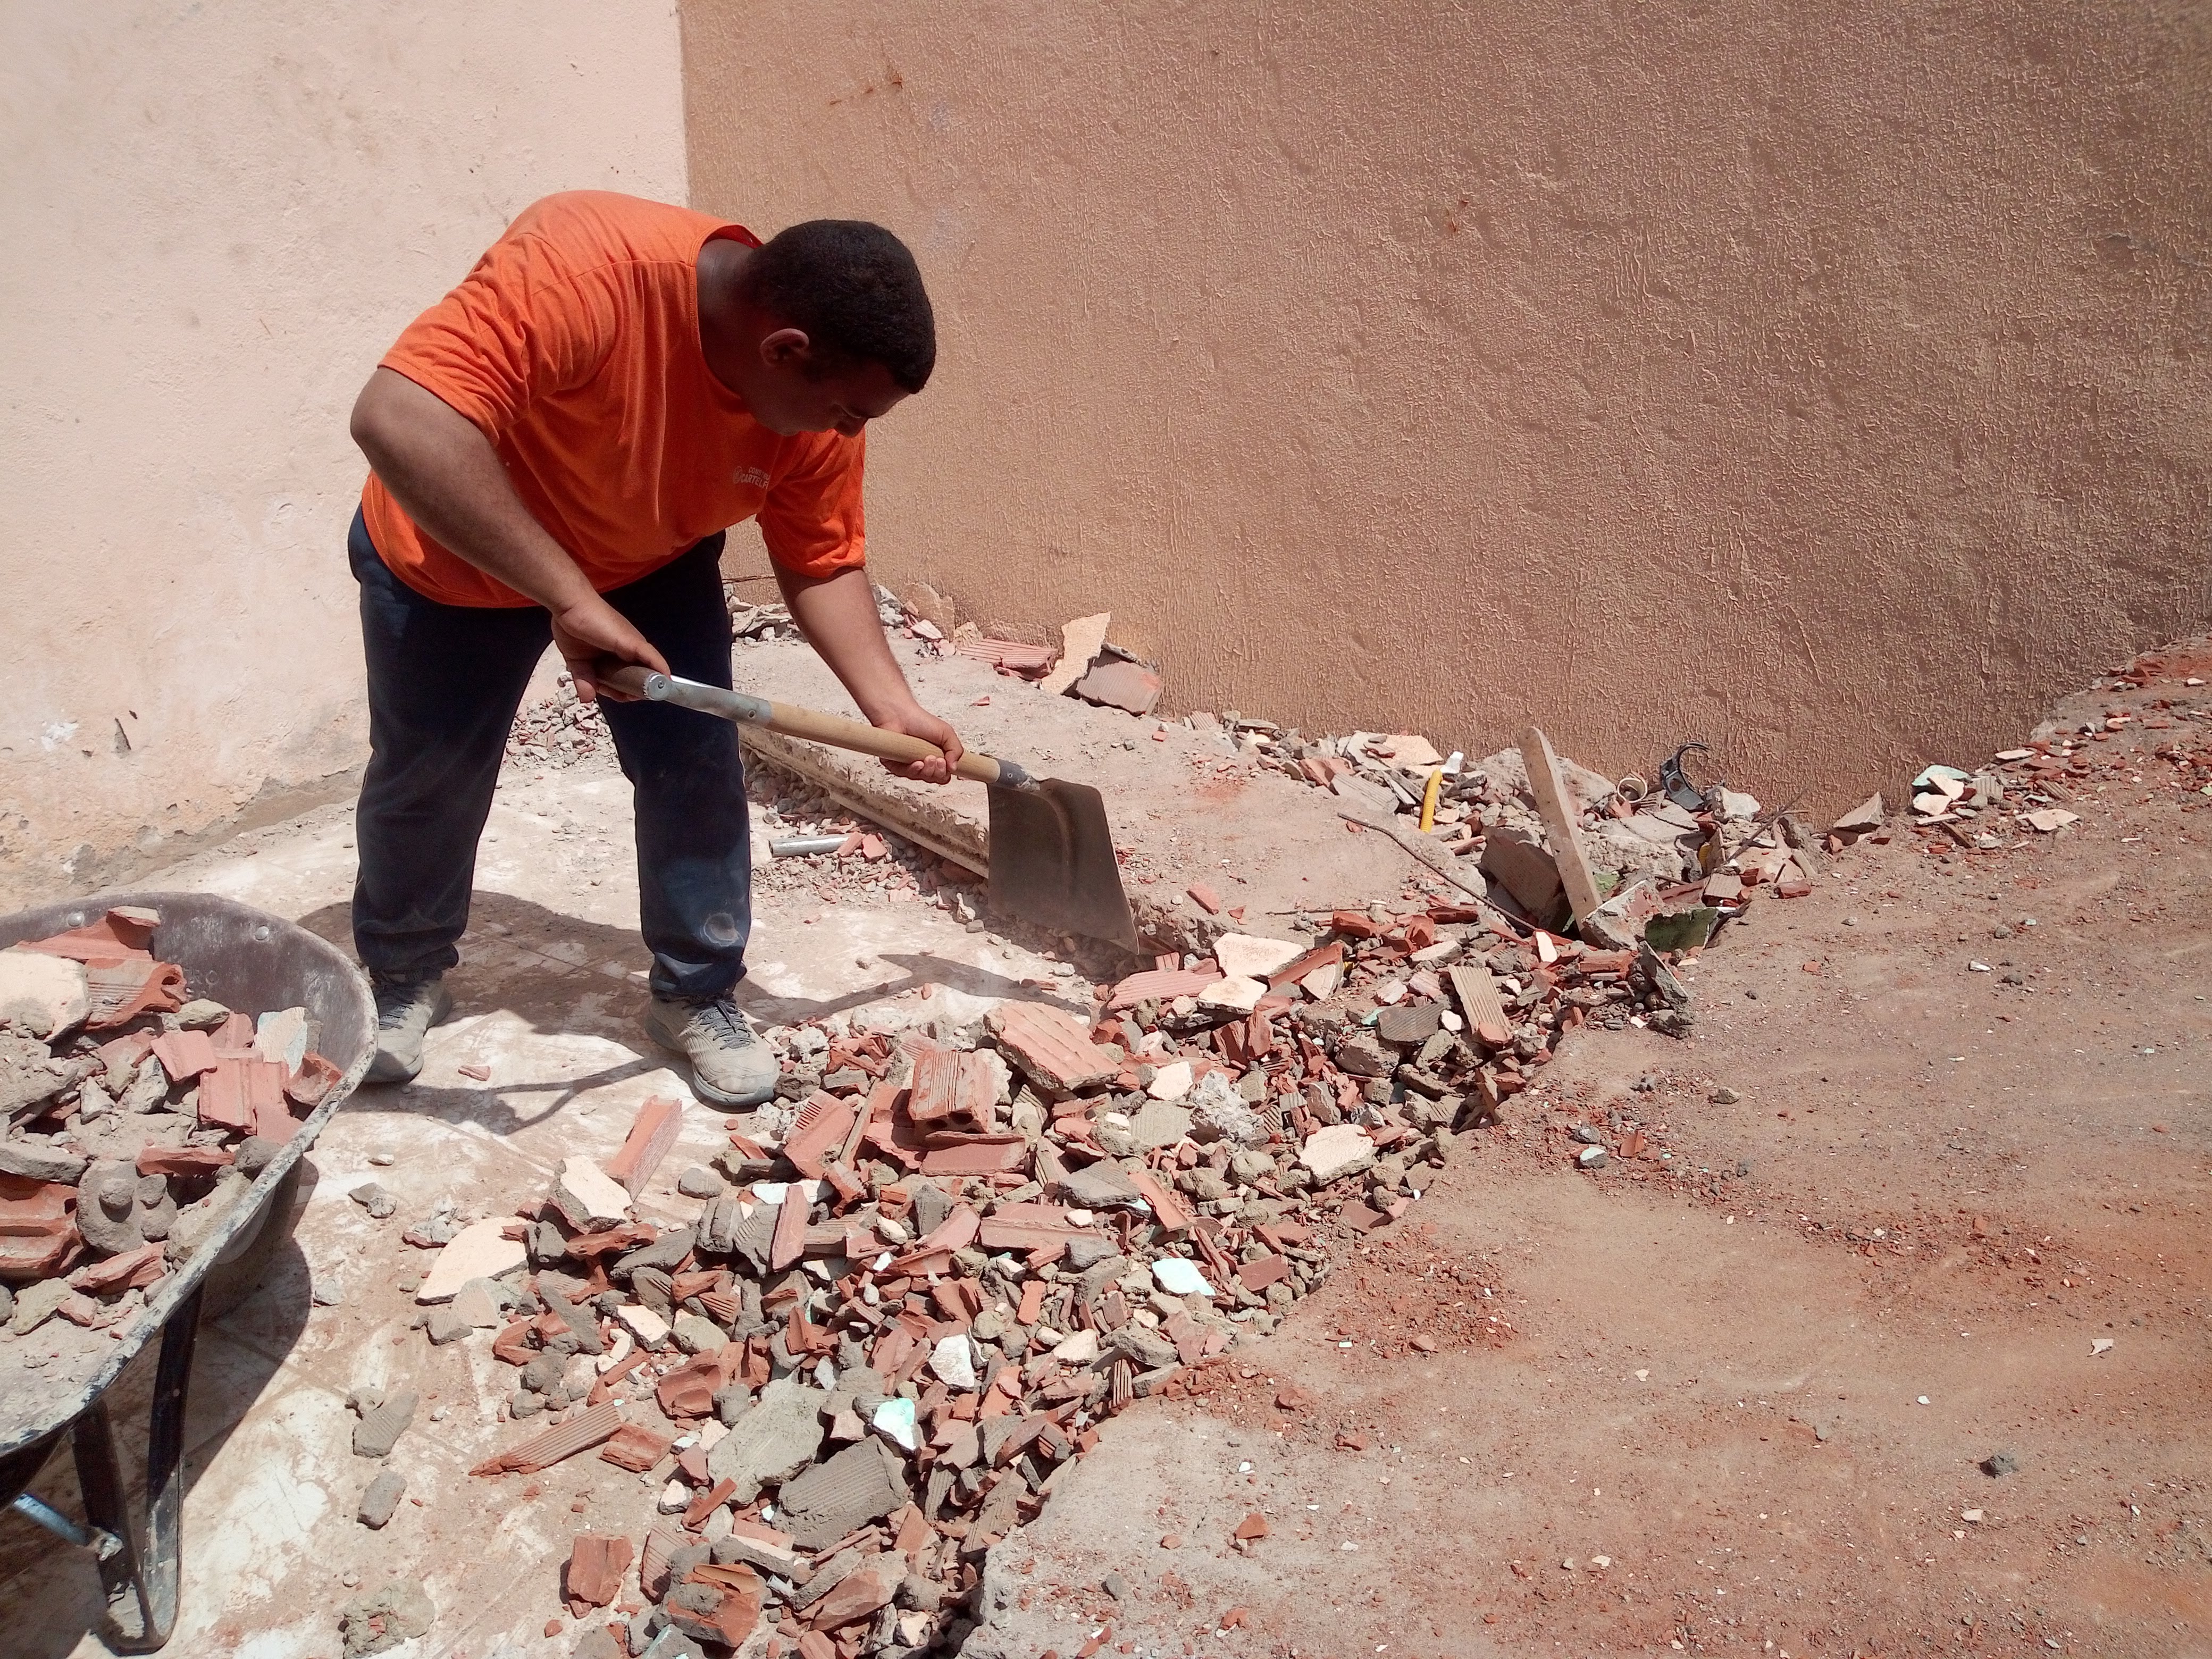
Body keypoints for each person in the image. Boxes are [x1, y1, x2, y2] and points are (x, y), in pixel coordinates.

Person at [344, 190, 961, 1106]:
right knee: (431, 774)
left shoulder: (820, 398)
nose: (847, 433)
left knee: (695, 770)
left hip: (649, 558)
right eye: (842, 411)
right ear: (784, 349)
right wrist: (566, 596)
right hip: (458, 552)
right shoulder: (588, 269)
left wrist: (890, 704)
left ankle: (696, 992)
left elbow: (820, 559)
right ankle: (399, 977)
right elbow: (397, 418)